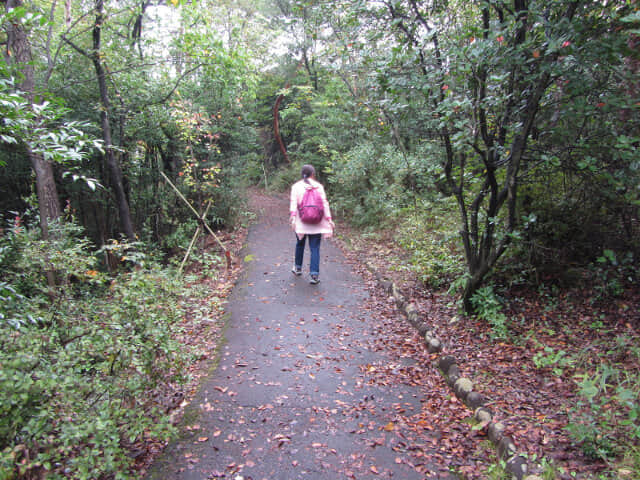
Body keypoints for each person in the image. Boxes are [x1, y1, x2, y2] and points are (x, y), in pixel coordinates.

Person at [289, 164, 335, 284]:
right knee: (315, 248)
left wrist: (293, 217)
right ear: (313, 174)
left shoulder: (296, 186)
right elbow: (325, 203)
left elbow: (293, 203)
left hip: (301, 223)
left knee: (300, 244)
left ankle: (298, 267)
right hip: (317, 223)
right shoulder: (319, 186)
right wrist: (329, 219)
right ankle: (314, 275)